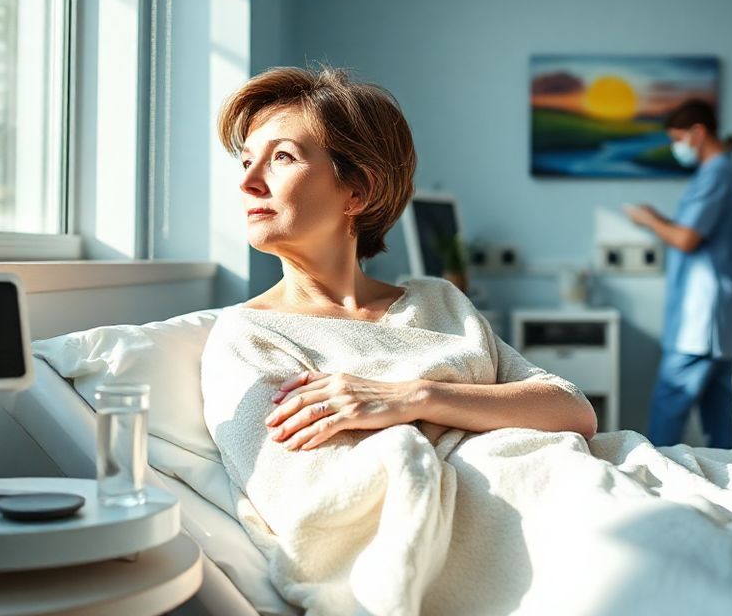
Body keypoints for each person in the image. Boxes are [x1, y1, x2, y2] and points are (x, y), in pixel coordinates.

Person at [204, 65, 596, 459]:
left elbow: (572, 409)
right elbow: (314, 496)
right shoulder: (251, 335)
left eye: (283, 157)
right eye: (246, 161)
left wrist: (416, 396)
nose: (248, 181)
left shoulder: (440, 302)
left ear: (358, 193)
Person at [624, 99, 732, 449]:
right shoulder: (721, 172)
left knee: (669, 406)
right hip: (717, 311)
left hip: (703, 315)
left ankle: (653, 481)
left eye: (678, 139)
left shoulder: (718, 172)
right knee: (718, 411)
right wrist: (661, 219)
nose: (676, 148)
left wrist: (649, 220)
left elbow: (686, 239)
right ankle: (730, 483)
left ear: (698, 132)